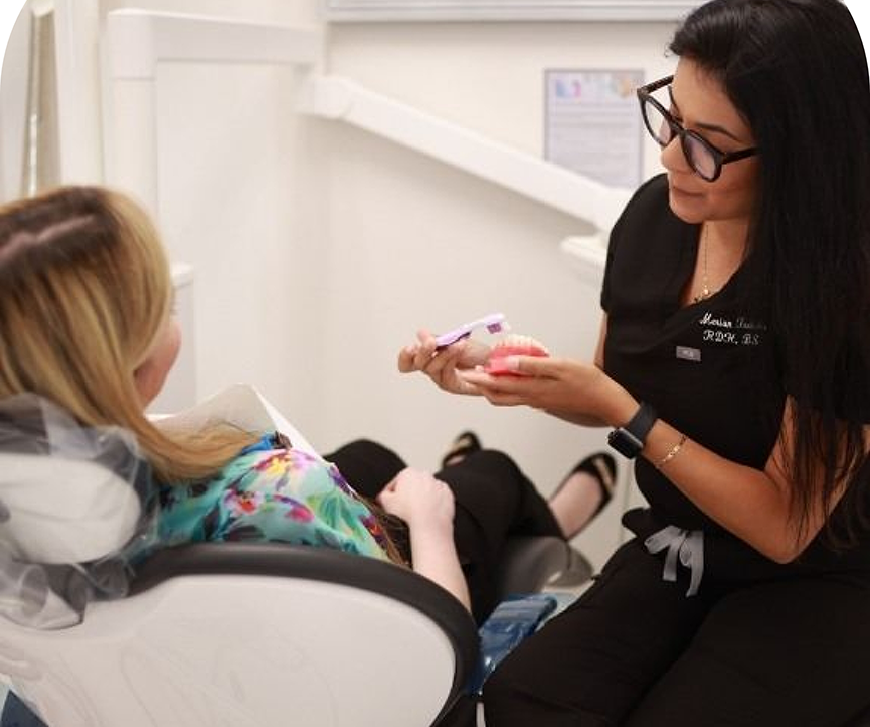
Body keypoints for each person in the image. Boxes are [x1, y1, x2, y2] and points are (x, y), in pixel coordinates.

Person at [398, 0, 870, 726]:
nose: (671, 154)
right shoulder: (654, 220)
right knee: (526, 701)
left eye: (708, 143)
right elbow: (613, 385)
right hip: (684, 548)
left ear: (799, 152)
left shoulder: (844, 283)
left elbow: (785, 529)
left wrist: (626, 414)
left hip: (820, 578)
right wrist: (507, 374)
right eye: (670, 115)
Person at [0, 185, 616, 630]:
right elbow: (437, 645)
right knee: (489, 477)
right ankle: (551, 523)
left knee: (370, 457)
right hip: (374, 607)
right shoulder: (287, 492)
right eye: (164, 305)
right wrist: (428, 519)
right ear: (123, 354)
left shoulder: (24, 506)